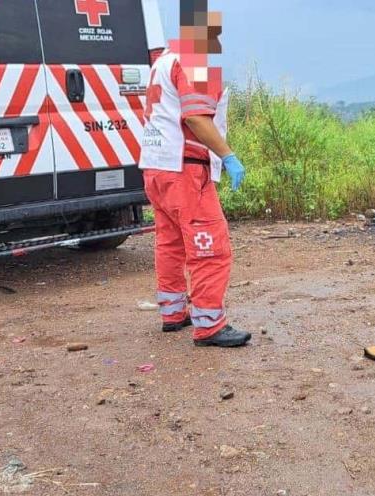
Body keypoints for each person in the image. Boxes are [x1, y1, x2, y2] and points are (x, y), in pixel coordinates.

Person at [138, 1, 251, 348]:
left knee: (170, 242)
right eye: (212, 34)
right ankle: (209, 324)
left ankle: (173, 313)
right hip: (186, 170)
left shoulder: (162, 63)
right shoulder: (194, 63)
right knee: (210, 247)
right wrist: (228, 156)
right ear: (203, 33)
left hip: (157, 169)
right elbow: (197, 118)